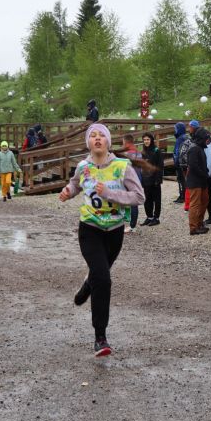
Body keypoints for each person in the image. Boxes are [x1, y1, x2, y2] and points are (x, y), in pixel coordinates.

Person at [59, 123, 145, 357]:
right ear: (88, 143)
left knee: (99, 274)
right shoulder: (83, 167)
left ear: (108, 142)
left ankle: (89, 283)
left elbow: (139, 196)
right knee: (104, 279)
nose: (97, 139)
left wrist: (109, 193)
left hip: (115, 230)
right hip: (89, 228)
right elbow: (76, 184)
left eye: (101, 136)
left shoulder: (122, 166)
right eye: (92, 136)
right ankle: (101, 337)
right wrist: (68, 191)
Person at [186, 128, 211, 235]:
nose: (207, 140)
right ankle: (193, 227)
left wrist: (205, 172)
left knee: (204, 201)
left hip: (201, 181)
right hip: (195, 182)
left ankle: (199, 223)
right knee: (195, 204)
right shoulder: (194, 149)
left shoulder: (199, 148)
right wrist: (204, 174)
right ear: (202, 138)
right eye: (206, 138)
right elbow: (193, 166)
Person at [140, 132, 164, 227]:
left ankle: (156, 218)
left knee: (156, 199)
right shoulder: (143, 152)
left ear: (151, 140)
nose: (146, 141)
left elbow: (160, 165)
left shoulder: (156, 151)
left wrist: (158, 179)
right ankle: (149, 217)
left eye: (148, 139)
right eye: (144, 140)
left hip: (155, 179)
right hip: (146, 179)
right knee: (147, 199)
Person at [122, 134, 143, 233]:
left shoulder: (127, 154)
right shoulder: (139, 152)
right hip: (138, 179)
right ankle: (133, 225)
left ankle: (130, 225)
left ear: (125, 142)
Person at [180, 120, 200, 211]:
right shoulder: (190, 140)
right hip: (190, 166)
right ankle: (188, 205)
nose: (189, 128)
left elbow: (182, 154)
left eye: (190, 126)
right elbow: (183, 154)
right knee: (190, 186)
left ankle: (191, 204)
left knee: (193, 186)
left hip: (192, 166)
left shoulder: (192, 140)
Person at [172, 122, 187, 204]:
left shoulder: (180, 139)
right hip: (184, 163)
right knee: (184, 180)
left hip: (179, 163)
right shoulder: (185, 137)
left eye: (176, 129)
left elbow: (178, 152)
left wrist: (176, 162)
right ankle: (184, 195)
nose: (175, 130)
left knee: (181, 180)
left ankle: (182, 196)